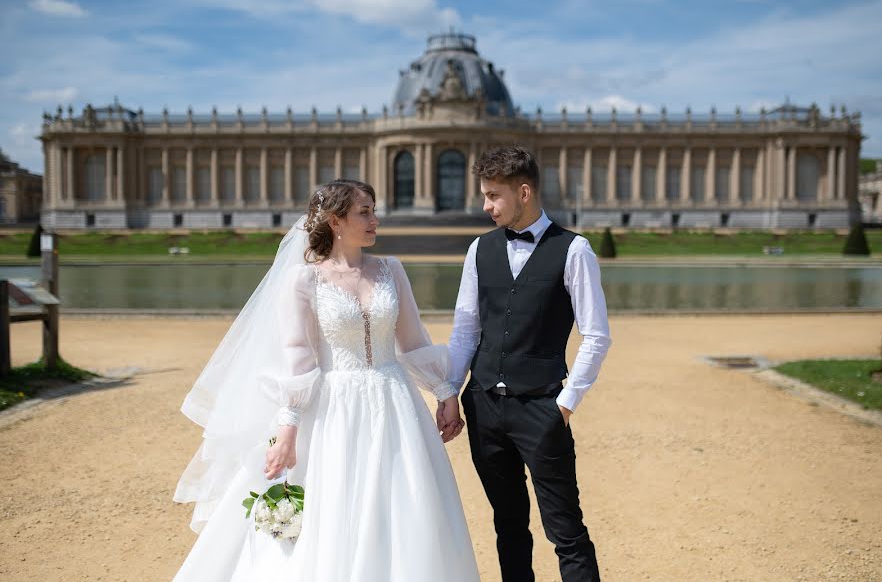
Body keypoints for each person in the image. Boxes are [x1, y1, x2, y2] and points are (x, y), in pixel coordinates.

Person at [172, 179, 480, 581]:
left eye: (374, 210)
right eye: (364, 212)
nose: (375, 220)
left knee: (406, 506)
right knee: (335, 510)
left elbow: (413, 342)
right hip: (335, 410)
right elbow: (298, 361)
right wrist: (287, 432)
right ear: (336, 221)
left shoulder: (392, 270)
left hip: (396, 405)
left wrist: (444, 392)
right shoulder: (303, 281)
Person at [444, 146, 612, 582]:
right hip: (484, 406)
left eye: (493, 196)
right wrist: (450, 391)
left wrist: (566, 403)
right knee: (509, 526)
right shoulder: (478, 250)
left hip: (542, 408)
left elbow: (596, 335)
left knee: (566, 530)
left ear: (523, 192)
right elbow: (465, 332)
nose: (485, 206)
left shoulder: (574, 250)